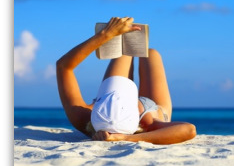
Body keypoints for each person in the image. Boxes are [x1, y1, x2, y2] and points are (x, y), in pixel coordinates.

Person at [56, 16, 196, 144]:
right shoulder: (149, 124)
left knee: (123, 53)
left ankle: (121, 34)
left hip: (129, 116)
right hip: (150, 109)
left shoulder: (81, 117)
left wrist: (105, 35)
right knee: (152, 54)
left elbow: (63, 67)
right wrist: (127, 138)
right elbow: (189, 130)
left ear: (97, 106)